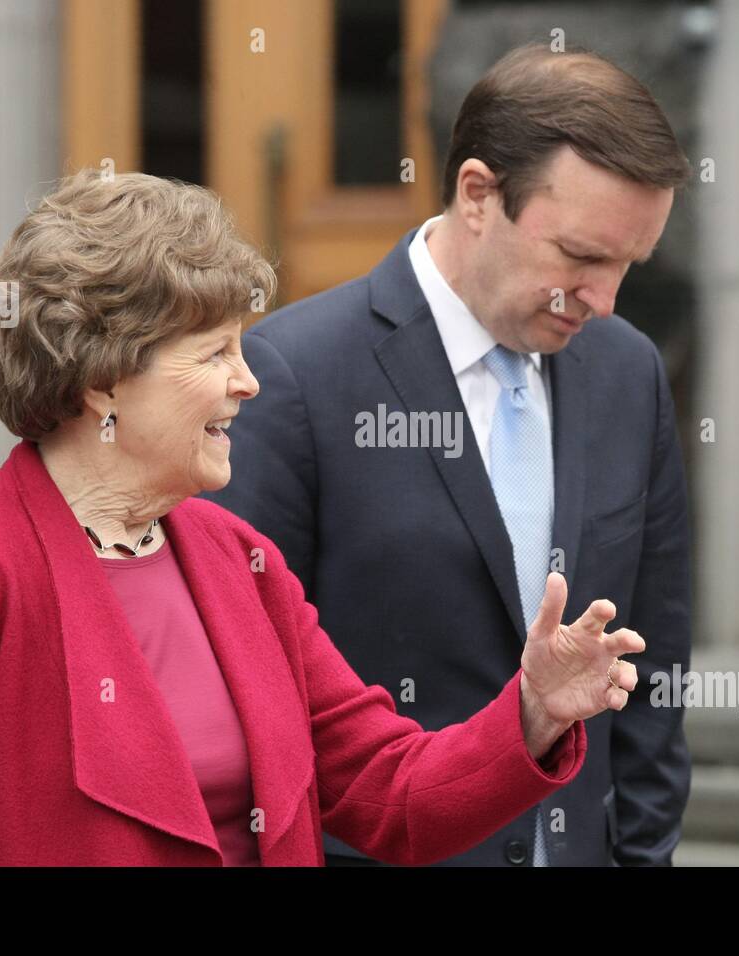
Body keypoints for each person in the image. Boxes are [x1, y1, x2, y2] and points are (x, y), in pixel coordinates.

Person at [0, 167, 645, 867]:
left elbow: (389, 795)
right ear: (102, 379)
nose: (250, 381)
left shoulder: (241, 560)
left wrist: (534, 711)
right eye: (214, 354)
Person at [204, 43, 693, 866]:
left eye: (627, 267)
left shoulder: (627, 370)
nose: (605, 301)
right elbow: (245, 687)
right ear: (478, 195)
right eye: (580, 258)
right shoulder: (291, 374)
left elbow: (656, 669)